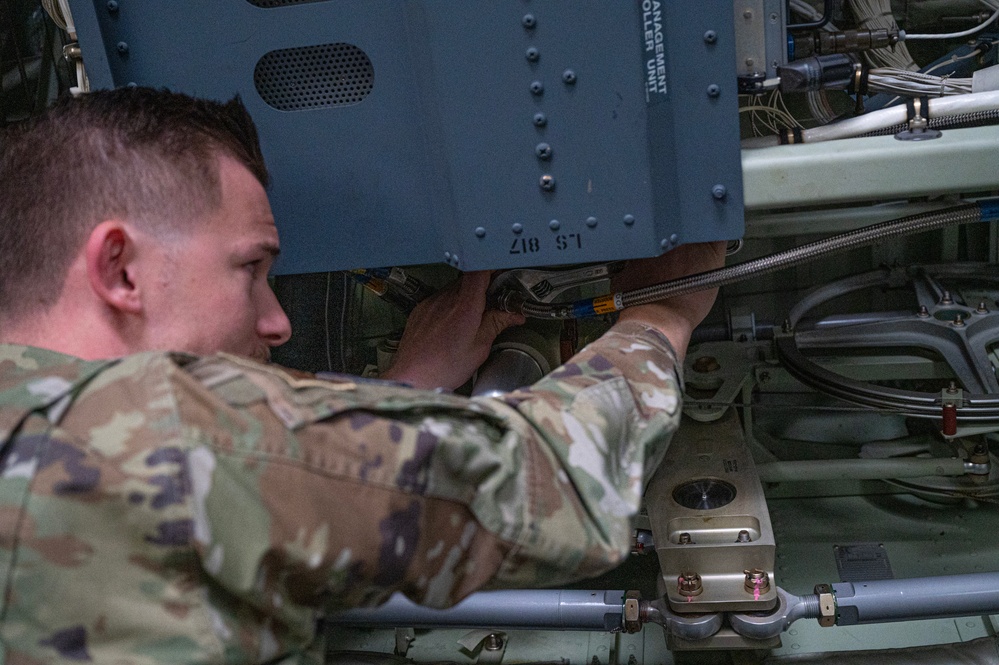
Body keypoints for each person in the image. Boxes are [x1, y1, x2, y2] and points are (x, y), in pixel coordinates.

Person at [0, 87, 724, 663]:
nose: (276, 321)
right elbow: (553, 477)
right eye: (250, 268)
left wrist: (405, 387)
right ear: (119, 268)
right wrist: (661, 314)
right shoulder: (161, 427)